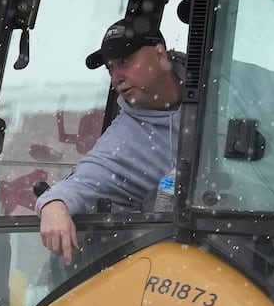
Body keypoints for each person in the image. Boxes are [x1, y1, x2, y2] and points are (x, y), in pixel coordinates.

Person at [37, 17, 183, 265]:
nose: (117, 78)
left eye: (125, 62)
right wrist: (54, 204)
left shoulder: (229, 81)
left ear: (160, 55)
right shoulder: (125, 139)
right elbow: (84, 181)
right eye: (110, 69)